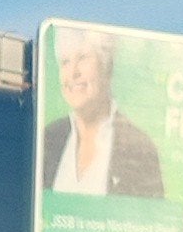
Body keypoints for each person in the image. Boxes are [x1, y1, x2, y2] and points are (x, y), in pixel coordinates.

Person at [40, 29, 166, 201]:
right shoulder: (47, 140)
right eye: (65, 62)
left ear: (107, 66)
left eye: (83, 58)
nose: (73, 72)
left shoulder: (139, 149)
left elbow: (150, 222)